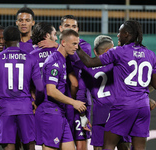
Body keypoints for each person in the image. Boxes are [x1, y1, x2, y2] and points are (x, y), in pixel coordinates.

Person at [76, 20, 156, 150]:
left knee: (108, 145)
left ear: (127, 34)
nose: (118, 35)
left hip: (123, 106)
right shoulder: (151, 55)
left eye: (120, 32)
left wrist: (77, 47)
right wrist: (144, 95)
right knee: (139, 147)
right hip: (143, 107)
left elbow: (90, 62)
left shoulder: (119, 52)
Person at [0, 26, 44, 150]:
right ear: (19, 39)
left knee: (9, 147)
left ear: (4, 39)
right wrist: (36, 103)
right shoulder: (31, 59)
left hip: (5, 109)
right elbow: (41, 89)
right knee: (30, 146)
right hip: (25, 107)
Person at [35, 29, 88, 150]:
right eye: (74, 44)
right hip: (49, 113)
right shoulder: (54, 61)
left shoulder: (62, 60)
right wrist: (73, 102)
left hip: (59, 113)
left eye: (77, 44)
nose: (76, 47)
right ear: (63, 42)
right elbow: (51, 90)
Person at [79, 35, 132, 150]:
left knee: (99, 148)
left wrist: (83, 116)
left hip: (100, 115)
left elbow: (80, 95)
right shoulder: (119, 64)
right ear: (112, 50)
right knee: (124, 147)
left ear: (95, 51)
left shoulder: (86, 69)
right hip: (120, 112)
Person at [59, 15, 92, 150]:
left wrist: (57, 47)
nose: (70, 29)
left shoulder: (84, 46)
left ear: (78, 29)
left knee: (81, 144)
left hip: (80, 102)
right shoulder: (56, 47)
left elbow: (75, 59)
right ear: (61, 28)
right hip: (60, 102)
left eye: (73, 26)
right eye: (67, 26)